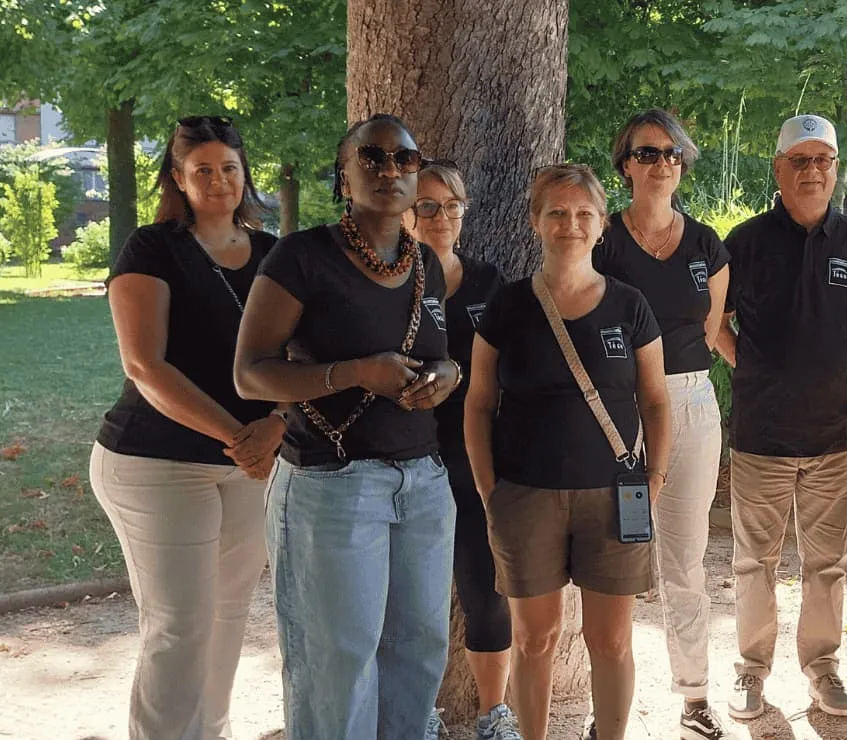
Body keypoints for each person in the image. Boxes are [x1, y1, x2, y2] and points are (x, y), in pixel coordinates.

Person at [232, 114, 461, 740]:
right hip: (333, 484)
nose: (391, 171)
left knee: (419, 649)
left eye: (405, 160)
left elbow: (440, 352)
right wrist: (357, 372)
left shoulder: (426, 266)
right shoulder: (301, 257)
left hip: (422, 480)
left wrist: (446, 373)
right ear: (344, 175)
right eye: (374, 158)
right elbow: (251, 375)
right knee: (336, 661)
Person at [463, 163, 673, 740]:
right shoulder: (507, 308)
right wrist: (489, 489)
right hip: (524, 495)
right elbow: (479, 403)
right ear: (536, 221)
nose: (570, 225)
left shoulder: (630, 307)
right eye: (557, 212)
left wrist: (653, 479)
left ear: (601, 225)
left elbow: (656, 401)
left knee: (611, 640)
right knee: (535, 638)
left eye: (584, 214)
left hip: (615, 494)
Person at [89, 115, 279, 740]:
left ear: (245, 172)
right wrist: (239, 435)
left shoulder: (275, 253)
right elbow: (145, 364)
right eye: (203, 169)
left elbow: (307, 357)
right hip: (157, 463)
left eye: (229, 167)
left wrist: (274, 426)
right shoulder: (152, 248)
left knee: (227, 617)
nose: (219, 180)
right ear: (178, 177)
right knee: (180, 622)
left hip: (251, 465)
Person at [714, 114, 847, 721]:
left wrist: (831, 362)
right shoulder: (744, 242)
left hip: (832, 436)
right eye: (801, 161)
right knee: (752, 561)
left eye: (824, 161)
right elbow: (715, 320)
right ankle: (751, 670)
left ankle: (822, 668)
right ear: (779, 169)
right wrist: (751, 364)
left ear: (835, 169)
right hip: (761, 435)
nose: (813, 171)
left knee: (827, 564)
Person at [593, 109, 732, 740]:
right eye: (648, 153)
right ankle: (606, 703)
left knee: (686, 558)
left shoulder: (706, 245)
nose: (663, 164)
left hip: (690, 402)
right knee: (605, 554)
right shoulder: (602, 240)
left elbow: (709, 331)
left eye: (673, 154)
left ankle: (695, 695)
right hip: (615, 409)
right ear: (625, 165)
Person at [401, 162, 519, 740]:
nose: (441, 217)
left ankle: (493, 714)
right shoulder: (388, 278)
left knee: (485, 590)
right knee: (412, 597)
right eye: (427, 206)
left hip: (474, 460)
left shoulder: (489, 283)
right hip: (402, 459)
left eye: (451, 206)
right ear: (404, 212)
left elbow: (511, 374)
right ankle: (416, 710)